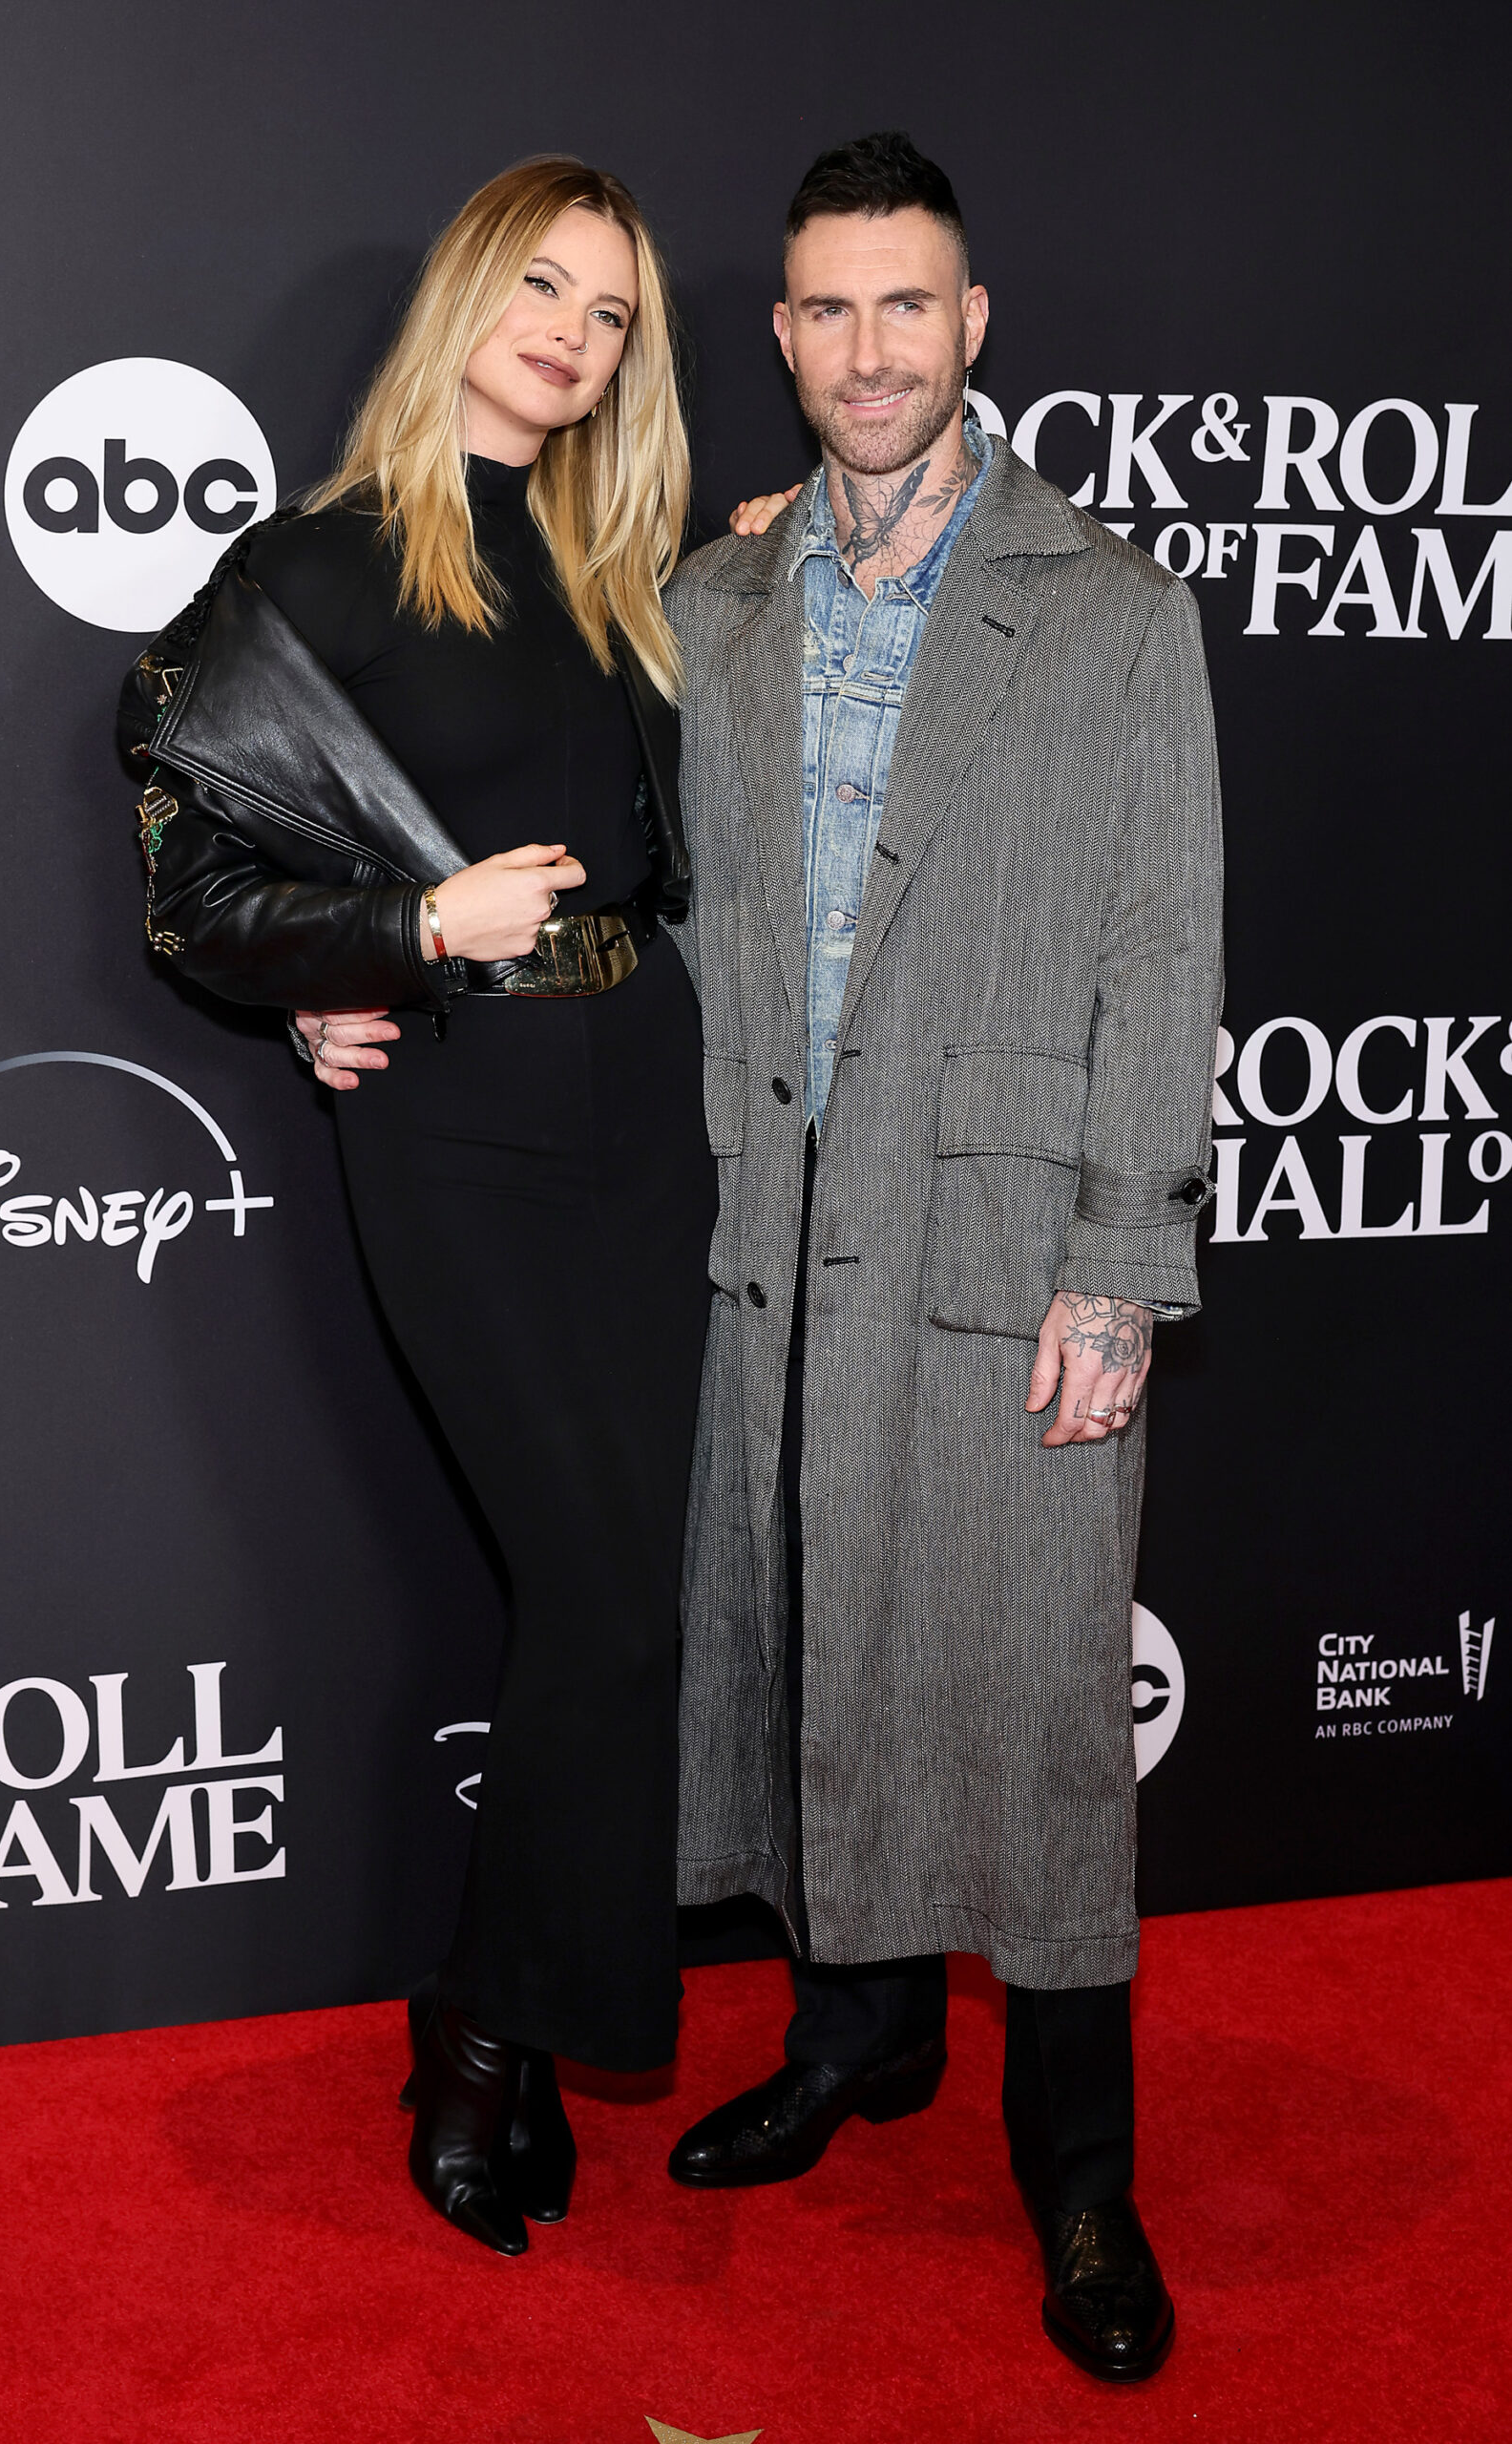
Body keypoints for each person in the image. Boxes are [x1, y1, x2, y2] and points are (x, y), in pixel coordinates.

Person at [658, 132, 1223, 2382]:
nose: (868, 348)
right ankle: (854, 2039)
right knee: (809, 1643)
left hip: (1007, 1236)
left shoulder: (1108, 603)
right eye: (825, 309)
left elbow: (1159, 941)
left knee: (1029, 1708)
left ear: (971, 325)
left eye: (908, 304)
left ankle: (1076, 2166)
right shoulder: (715, 601)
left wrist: (1123, 1254)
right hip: (765, 1231)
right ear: (780, 336)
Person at [120, 157, 716, 2259]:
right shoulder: (318, 566)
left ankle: (501, 2011)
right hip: (456, 1122)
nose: (572, 329)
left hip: (652, 1106)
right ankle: (481, 2029)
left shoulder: (624, 567)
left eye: (614, 313)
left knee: (624, 1602)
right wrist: (386, 941)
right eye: (541, 283)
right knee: (605, 1596)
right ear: (467, 286)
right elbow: (196, 878)